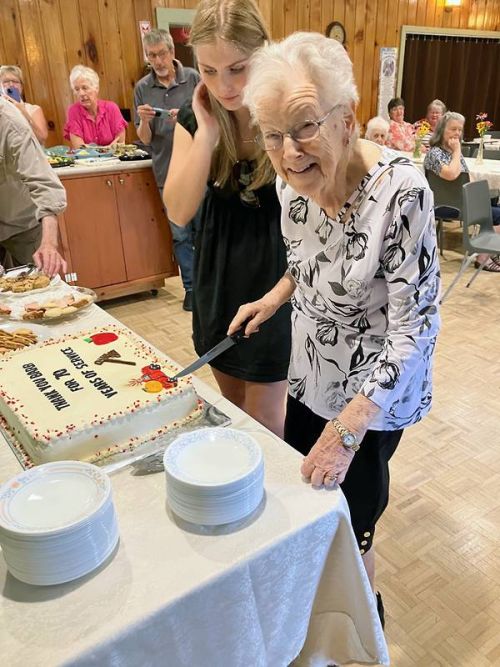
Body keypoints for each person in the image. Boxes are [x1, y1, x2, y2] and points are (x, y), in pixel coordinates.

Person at [228, 32, 440, 622]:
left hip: (375, 392)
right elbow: (306, 261)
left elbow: (412, 330)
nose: (288, 152)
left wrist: (347, 430)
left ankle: (359, 623)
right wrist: (273, 298)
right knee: (309, 497)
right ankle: (314, 604)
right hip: (311, 370)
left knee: (354, 514)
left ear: (346, 120)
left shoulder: (402, 193)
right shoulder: (287, 184)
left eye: (302, 127)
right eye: (271, 135)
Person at [163, 0, 291, 437]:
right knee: (232, 415)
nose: (224, 85)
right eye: (209, 70)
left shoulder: (289, 112)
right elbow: (179, 209)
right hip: (218, 280)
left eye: (238, 68)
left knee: (266, 424)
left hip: (277, 281)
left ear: (264, 53)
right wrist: (208, 134)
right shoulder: (195, 117)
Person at [134, 29, 200, 311]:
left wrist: (186, 118)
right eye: (152, 56)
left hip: (199, 168)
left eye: (162, 53)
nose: (158, 61)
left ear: (172, 52)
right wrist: (145, 121)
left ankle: (209, 285)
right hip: (166, 172)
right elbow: (145, 140)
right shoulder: (142, 88)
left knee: (206, 230)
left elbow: (209, 123)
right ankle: (191, 289)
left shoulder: (194, 79)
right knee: (181, 234)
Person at [424, 111, 500, 272]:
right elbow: (452, 175)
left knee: (495, 206)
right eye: (453, 129)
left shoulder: (452, 153)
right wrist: (457, 151)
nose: (457, 133)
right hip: (449, 205)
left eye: (460, 129)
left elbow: (466, 178)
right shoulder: (434, 153)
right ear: (442, 130)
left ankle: (489, 251)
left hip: (464, 201)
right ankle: (482, 256)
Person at [0, 96, 67, 276]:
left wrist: (49, 244)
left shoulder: (10, 122)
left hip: (23, 224)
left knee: (44, 290)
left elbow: (44, 183)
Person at [64, 65, 127, 148]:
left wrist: (99, 150)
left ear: (96, 88)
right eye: (77, 89)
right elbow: (79, 147)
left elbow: (120, 143)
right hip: (86, 160)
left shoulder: (111, 108)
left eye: (85, 88)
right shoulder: (73, 111)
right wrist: (106, 149)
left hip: (114, 159)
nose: (81, 94)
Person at [0, 65, 48, 144]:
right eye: (6, 81)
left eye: (15, 81)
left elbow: (42, 138)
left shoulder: (33, 109)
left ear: (21, 87)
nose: (11, 84)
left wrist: (23, 112)